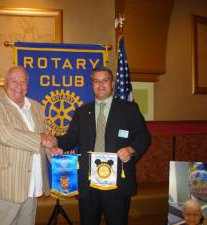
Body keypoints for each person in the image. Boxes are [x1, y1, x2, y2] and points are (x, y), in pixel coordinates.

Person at [56, 66, 151, 225]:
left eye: (105, 80)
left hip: (117, 183)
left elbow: (144, 136)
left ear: (112, 83)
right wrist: (55, 143)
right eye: (96, 81)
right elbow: (70, 139)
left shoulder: (129, 109)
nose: (101, 85)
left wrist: (131, 149)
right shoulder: (81, 112)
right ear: (91, 85)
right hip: (88, 183)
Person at [0, 66, 61, 225]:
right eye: (14, 81)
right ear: (5, 84)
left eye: (23, 82)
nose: (19, 86)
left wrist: (52, 148)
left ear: (28, 86)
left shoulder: (36, 107)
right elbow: (6, 135)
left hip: (33, 179)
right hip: (8, 181)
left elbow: (46, 136)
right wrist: (41, 138)